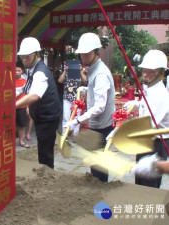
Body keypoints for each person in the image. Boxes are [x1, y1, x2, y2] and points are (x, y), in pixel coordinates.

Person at [64, 32, 115, 182]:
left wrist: (77, 120)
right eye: (82, 54)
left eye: (87, 54)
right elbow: (96, 90)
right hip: (98, 125)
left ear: (97, 53)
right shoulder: (94, 69)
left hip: (102, 127)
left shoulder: (100, 74)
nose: (84, 57)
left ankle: (100, 193)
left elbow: (100, 106)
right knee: (96, 163)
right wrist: (87, 90)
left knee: (98, 167)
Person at [124, 49, 169, 188]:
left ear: (161, 73)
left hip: (156, 142)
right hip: (144, 141)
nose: (145, 75)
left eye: (150, 72)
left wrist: (124, 131)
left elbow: (150, 123)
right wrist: (137, 104)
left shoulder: (162, 95)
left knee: (149, 187)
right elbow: (146, 106)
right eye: (144, 70)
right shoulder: (149, 88)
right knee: (140, 183)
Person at [16, 37, 61, 169]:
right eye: (22, 56)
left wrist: (10, 106)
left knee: (46, 153)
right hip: (43, 116)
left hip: (48, 118)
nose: (24, 59)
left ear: (37, 54)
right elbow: (24, 89)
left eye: (28, 56)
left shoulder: (40, 72)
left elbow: (34, 95)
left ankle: (47, 176)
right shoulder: (32, 69)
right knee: (43, 148)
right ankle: (45, 174)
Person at [58, 60, 85, 135]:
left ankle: (75, 135)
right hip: (67, 98)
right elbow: (60, 80)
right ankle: (64, 134)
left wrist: (80, 71)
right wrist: (65, 71)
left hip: (77, 99)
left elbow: (85, 80)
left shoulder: (79, 73)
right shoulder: (66, 72)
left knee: (77, 118)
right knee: (66, 117)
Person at [15, 61, 29, 148]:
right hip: (10, 106)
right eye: (15, 70)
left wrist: (27, 107)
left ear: (22, 71)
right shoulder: (9, 80)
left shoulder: (25, 81)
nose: (17, 72)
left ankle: (21, 141)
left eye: (18, 70)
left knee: (22, 125)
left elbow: (27, 95)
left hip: (22, 106)